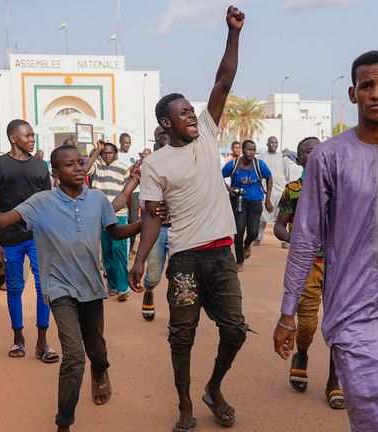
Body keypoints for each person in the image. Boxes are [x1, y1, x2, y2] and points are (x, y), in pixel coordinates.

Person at [273, 50, 378, 431]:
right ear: (353, 94)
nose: (376, 93)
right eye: (367, 85)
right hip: (352, 306)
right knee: (368, 408)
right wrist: (287, 312)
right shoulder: (328, 157)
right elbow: (305, 237)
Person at [0, 144, 146, 432]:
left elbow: (116, 231)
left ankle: (101, 371)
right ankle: (64, 423)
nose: (79, 168)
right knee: (73, 356)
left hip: (93, 288)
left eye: (81, 162)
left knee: (97, 350)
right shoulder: (41, 202)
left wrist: (143, 224)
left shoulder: (97, 199)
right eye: (70, 165)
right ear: (56, 173)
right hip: (59, 289)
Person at [130, 6, 248, 431]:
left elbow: (224, 81)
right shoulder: (155, 165)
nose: (191, 116)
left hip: (221, 256)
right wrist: (141, 259)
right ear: (167, 122)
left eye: (191, 111)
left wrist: (232, 33)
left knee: (234, 330)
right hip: (183, 262)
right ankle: (185, 406)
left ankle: (214, 388)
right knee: (182, 337)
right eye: (183, 113)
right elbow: (150, 215)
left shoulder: (208, 136)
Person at [273, 136, 345, 410]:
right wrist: (297, 241)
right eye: (307, 151)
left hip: (341, 264)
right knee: (308, 324)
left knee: (340, 325)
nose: (313, 154)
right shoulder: (293, 189)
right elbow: (280, 226)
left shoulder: (342, 187)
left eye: (318, 150)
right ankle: (301, 354)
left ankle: (333, 381)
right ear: (299, 158)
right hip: (309, 264)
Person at [0, 119, 58, 362]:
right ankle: (18, 338)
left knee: (43, 288)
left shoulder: (39, 166)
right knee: (14, 288)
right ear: (13, 138)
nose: (32, 139)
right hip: (9, 237)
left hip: (38, 236)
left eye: (33, 135)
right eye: (27, 135)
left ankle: (43, 342)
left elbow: (47, 203)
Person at [86, 140, 135, 302]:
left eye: (110, 152)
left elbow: (128, 192)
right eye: (104, 152)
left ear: (116, 153)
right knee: (106, 251)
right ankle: (112, 285)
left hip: (119, 214)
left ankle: (123, 288)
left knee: (119, 250)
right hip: (99, 215)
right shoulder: (96, 166)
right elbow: (85, 169)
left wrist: (132, 215)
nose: (107, 154)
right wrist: (95, 152)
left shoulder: (123, 168)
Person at [222, 139, 273, 270]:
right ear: (242, 151)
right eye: (249, 149)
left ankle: (247, 244)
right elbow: (217, 175)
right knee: (238, 231)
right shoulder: (233, 164)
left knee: (254, 232)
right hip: (238, 201)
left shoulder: (259, 165)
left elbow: (269, 177)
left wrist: (268, 199)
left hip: (255, 201)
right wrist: (228, 189)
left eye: (254, 150)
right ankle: (239, 261)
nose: (251, 152)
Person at [141, 126, 172, 322]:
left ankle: (177, 316)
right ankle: (149, 291)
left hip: (180, 227)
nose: (171, 137)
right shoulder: (147, 164)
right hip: (156, 227)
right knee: (153, 275)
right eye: (166, 134)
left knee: (178, 275)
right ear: (157, 137)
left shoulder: (182, 161)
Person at [257, 136, 293, 249]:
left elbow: (288, 175)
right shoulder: (261, 157)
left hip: (280, 192)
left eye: (275, 143)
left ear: (277, 145)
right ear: (267, 144)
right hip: (265, 191)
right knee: (262, 216)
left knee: (282, 216)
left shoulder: (283, 158)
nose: (273, 144)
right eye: (271, 142)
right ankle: (258, 237)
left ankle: (284, 240)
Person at [117, 132, 141, 255]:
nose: (127, 145)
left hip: (135, 192)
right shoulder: (116, 155)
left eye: (129, 142)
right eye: (125, 142)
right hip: (121, 191)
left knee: (133, 219)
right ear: (120, 142)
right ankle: (121, 246)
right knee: (120, 218)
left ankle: (131, 246)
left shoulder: (134, 154)